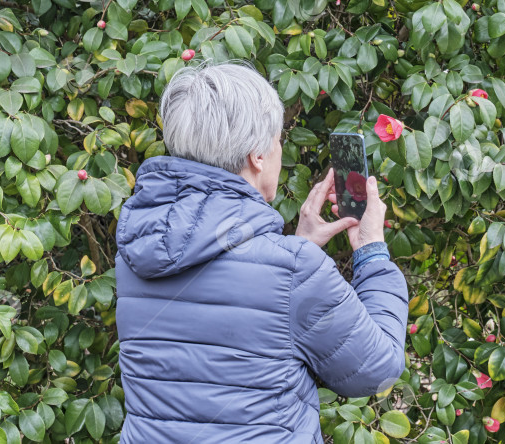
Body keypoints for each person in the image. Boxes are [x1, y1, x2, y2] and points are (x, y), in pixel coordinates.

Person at [114, 60, 409, 443]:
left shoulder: (136, 250)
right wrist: (371, 253)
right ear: (257, 155)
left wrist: (295, 248)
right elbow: (375, 369)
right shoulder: (292, 270)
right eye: (278, 140)